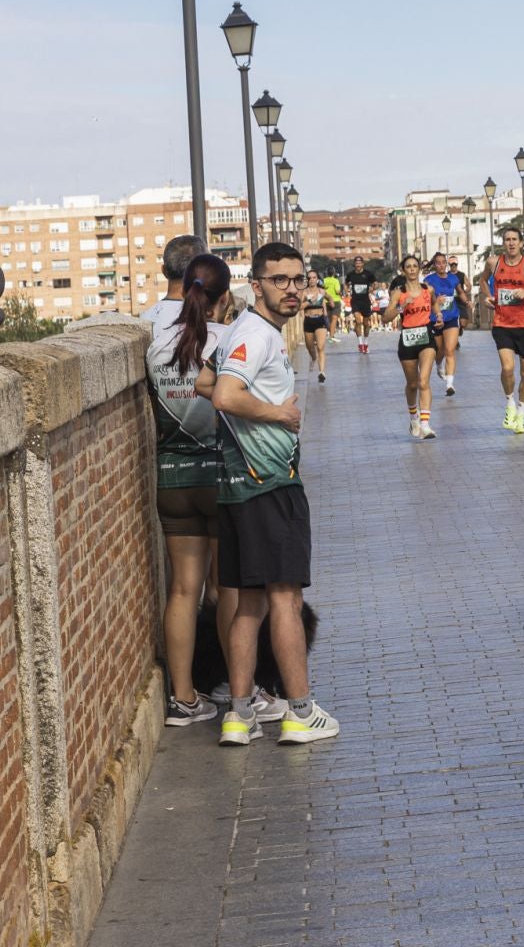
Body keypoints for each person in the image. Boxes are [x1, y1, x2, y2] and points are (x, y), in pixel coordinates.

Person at [203, 241, 339, 747]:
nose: (291, 289)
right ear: (255, 284)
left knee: (249, 606)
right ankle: (300, 711)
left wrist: (248, 402)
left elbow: (203, 380)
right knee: (285, 599)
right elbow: (222, 394)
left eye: (297, 279)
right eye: (279, 280)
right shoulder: (257, 336)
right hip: (268, 486)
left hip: (237, 490)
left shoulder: (242, 332)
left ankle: (239, 716)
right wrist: (278, 414)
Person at [143, 236, 224, 726]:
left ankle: (183, 698)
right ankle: (244, 691)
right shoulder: (222, 338)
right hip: (219, 474)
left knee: (182, 590)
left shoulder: (149, 335)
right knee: (228, 587)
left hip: (171, 477)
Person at [485, 228, 524, 433]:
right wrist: (487, 296)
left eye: (514, 240)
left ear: (521, 243)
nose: (511, 243)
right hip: (502, 324)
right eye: (507, 240)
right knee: (507, 368)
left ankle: (521, 411)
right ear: (503, 243)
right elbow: (483, 281)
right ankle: (509, 404)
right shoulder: (494, 263)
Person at [385, 255, 441, 439]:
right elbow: (386, 317)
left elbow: (434, 305)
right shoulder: (398, 293)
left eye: (414, 266)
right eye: (408, 266)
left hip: (426, 336)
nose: (411, 269)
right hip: (408, 339)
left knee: (424, 381)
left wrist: (438, 316)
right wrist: (402, 306)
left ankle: (425, 425)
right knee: (412, 384)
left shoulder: (428, 289)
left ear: (419, 269)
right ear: (403, 270)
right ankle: (413, 418)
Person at [424, 251, 470, 397]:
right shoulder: (428, 280)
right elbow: (424, 299)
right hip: (436, 319)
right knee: (440, 350)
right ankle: (438, 364)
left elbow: (460, 292)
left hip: (451, 317)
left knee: (450, 350)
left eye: (444, 262)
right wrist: (436, 302)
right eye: (438, 263)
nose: (442, 265)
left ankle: (450, 384)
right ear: (434, 265)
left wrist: (467, 301)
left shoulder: (453, 277)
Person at [300, 271, 331, 383]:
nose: (312, 280)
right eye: (310, 278)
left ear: (317, 279)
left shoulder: (322, 291)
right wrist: (309, 302)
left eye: (314, 277)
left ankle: (321, 372)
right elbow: (299, 307)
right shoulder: (304, 293)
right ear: (307, 280)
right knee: (310, 347)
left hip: (320, 320)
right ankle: (313, 358)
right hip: (308, 320)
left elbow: (330, 298)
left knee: (320, 347)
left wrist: (331, 303)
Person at [345, 258, 374, 354]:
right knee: (358, 320)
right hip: (355, 301)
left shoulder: (368, 274)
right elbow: (345, 283)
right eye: (356, 263)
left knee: (366, 324)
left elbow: (375, 283)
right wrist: (347, 291)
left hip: (365, 301)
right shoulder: (351, 275)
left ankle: (366, 343)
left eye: (359, 263)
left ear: (362, 264)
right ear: (354, 264)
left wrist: (372, 288)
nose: (358, 264)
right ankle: (360, 344)